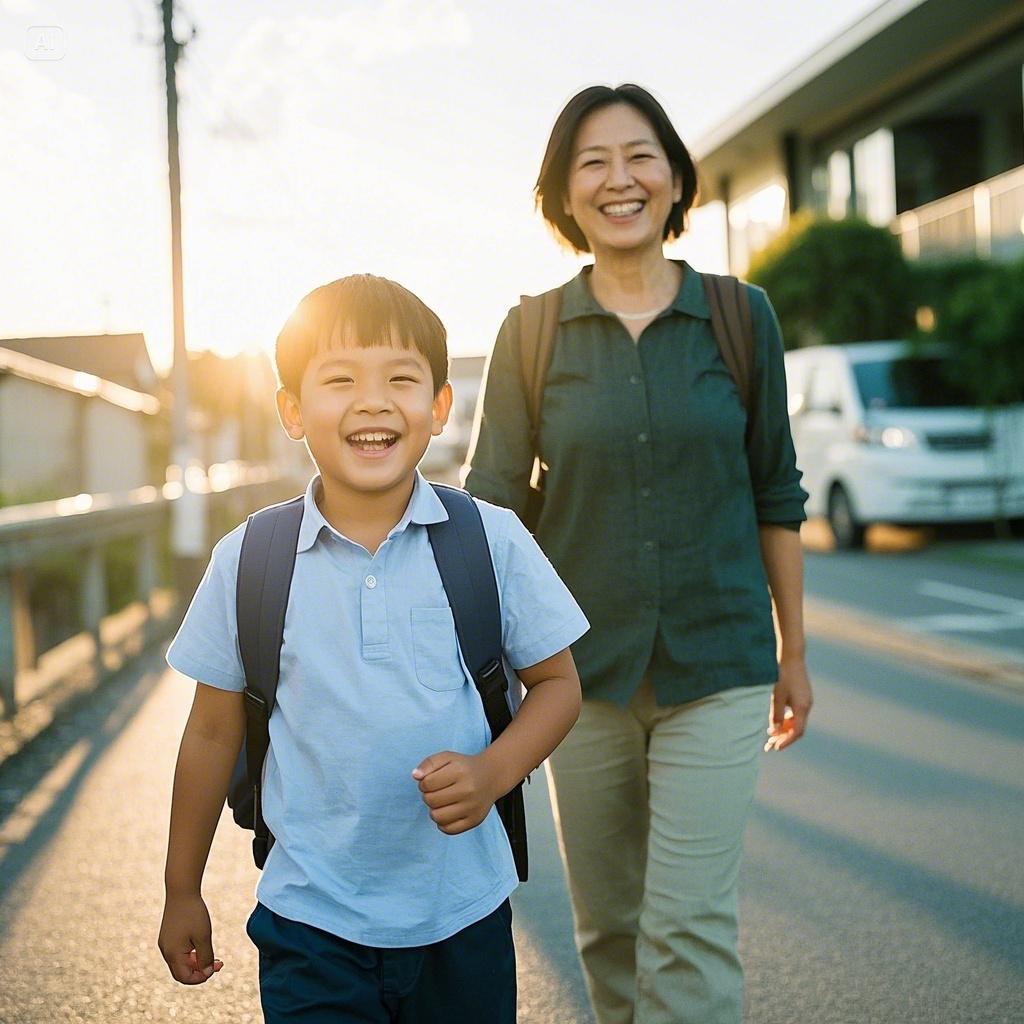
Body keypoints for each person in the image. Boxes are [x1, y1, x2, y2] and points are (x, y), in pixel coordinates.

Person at [463, 84, 812, 1024]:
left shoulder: (743, 319)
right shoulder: (531, 332)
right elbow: (490, 507)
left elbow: (777, 493)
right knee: (610, 929)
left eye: (640, 155)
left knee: (688, 927)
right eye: (593, 163)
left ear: (673, 178)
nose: (620, 179)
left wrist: (795, 654)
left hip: (722, 666)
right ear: (564, 197)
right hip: (577, 679)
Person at [157, 274, 589, 1023]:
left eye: (401, 378)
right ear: (291, 411)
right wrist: (181, 889)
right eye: (339, 380)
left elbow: (558, 686)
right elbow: (210, 730)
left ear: (439, 406)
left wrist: (493, 772)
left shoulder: (490, 539)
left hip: (463, 913)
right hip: (310, 921)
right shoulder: (252, 558)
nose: (372, 400)